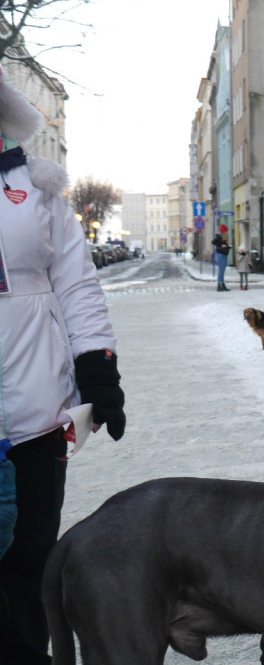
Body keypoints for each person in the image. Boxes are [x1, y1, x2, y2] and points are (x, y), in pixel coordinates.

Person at [0, 65, 126, 665]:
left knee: (28, 564)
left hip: (37, 413)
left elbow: (76, 285)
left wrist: (97, 369)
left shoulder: (37, 185)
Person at [212, 224, 231, 291]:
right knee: (221, 271)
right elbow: (213, 242)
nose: (227, 232)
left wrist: (228, 246)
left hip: (224, 255)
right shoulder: (220, 237)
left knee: (222, 271)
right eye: (226, 231)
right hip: (220, 255)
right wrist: (221, 245)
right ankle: (219, 285)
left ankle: (222, 284)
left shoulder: (225, 238)